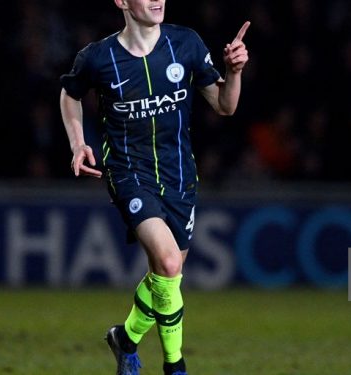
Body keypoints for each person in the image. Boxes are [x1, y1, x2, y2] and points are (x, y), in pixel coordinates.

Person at [59, 0, 250, 373]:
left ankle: (126, 338)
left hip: (180, 177)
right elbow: (70, 94)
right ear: (121, 2)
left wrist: (234, 71)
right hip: (129, 174)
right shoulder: (98, 57)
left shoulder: (187, 44)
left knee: (166, 275)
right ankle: (174, 365)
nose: (157, 0)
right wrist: (78, 142)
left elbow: (226, 106)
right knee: (168, 262)